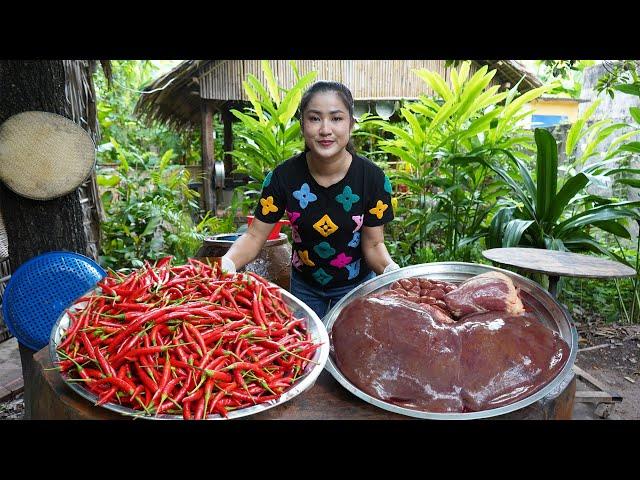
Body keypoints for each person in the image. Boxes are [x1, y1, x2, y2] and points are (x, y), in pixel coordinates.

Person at [221, 80, 399, 319]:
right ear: (302, 124)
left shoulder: (373, 179)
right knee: (307, 350)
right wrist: (228, 262)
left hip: (356, 287)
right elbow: (255, 236)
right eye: (315, 118)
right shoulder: (282, 178)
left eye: (336, 118)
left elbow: (374, 245)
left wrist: (391, 271)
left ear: (351, 124)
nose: (325, 129)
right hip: (304, 289)